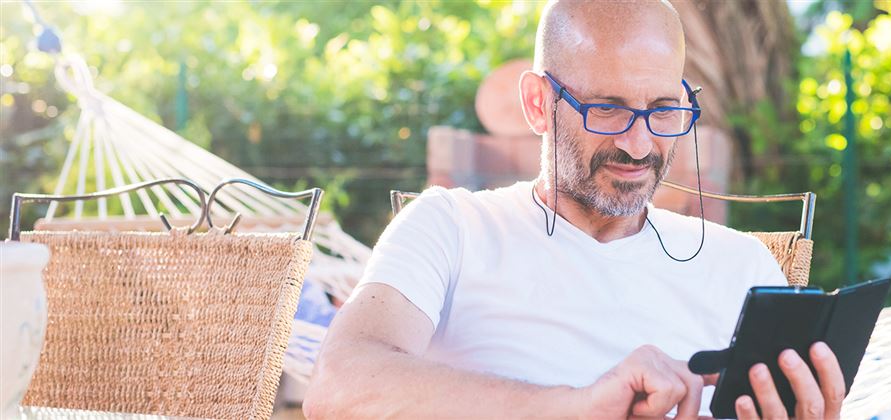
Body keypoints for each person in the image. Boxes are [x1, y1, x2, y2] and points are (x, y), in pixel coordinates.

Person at [303, 1, 846, 418]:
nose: (638, 145)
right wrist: (579, 404)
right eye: (606, 110)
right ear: (539, 103)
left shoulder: (744, 267)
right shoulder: (450, 228)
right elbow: (336, 386)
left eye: (663, 109)